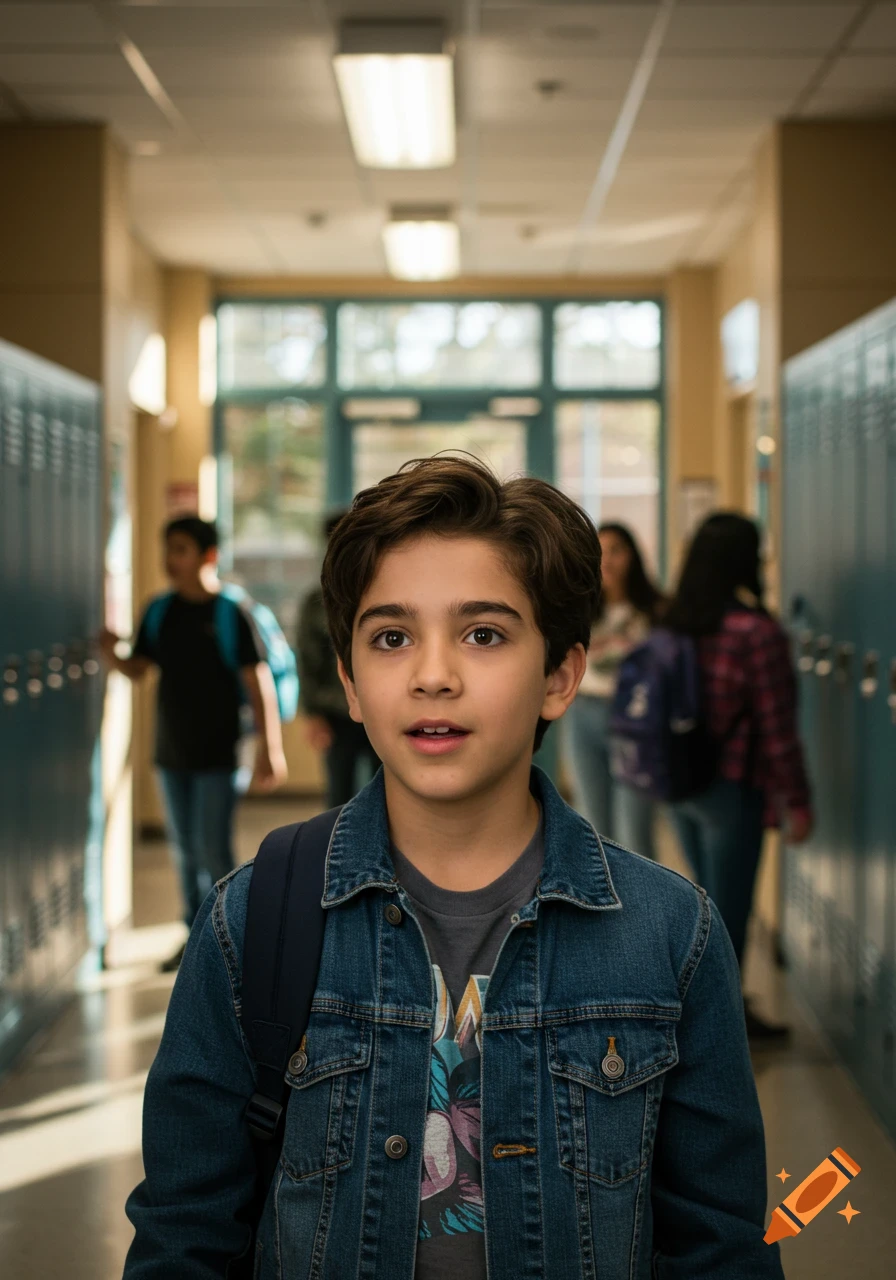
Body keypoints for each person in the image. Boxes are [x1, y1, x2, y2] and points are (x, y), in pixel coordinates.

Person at [123, 459, 785, 1280]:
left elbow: (719, 1249)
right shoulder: (249, 919)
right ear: (350, 683)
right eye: (391, 638)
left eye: (483, 635)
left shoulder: (671, 935)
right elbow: (183, 1234)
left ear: (559, 676)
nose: (433, 675)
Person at [100, 516, 287, 968]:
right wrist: (109, 653)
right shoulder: (160, 611)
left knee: (213, 850)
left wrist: (270, 748)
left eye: (181, 549)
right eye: (168, 549)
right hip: (171, 753)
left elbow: (258, 683)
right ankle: (194, 937)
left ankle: (232, 941)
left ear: (208, 556)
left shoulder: (230, 613)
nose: (170, 559)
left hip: (219, 754)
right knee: (184, 852)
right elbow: (139, 668)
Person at [663, 512, 813, 1040]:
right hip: (731, 787)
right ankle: (720, 1026)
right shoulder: (755, 632)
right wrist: (798, 800)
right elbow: (777, 727)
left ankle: (709, 1011)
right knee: (728, 915)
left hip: (680, 783)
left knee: (704, 910)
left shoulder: (676, 622)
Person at [565, 522, 663, 856]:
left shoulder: (654, 611)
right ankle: (600, 891)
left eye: (616, 551)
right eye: (600, 552)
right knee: (592, 825)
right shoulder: (579, 610)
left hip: (636, 721)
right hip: (584, 712)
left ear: (632, 556)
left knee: (633, 831)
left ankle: (639, 892)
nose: (608, 560)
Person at [296, 510, 379, 806]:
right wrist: (313, 714)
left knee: (390, 790)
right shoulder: (316, 602)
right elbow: (307, 660)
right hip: (336, 711)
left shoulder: (381, 594)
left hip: (380, 706)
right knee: (339, 794)